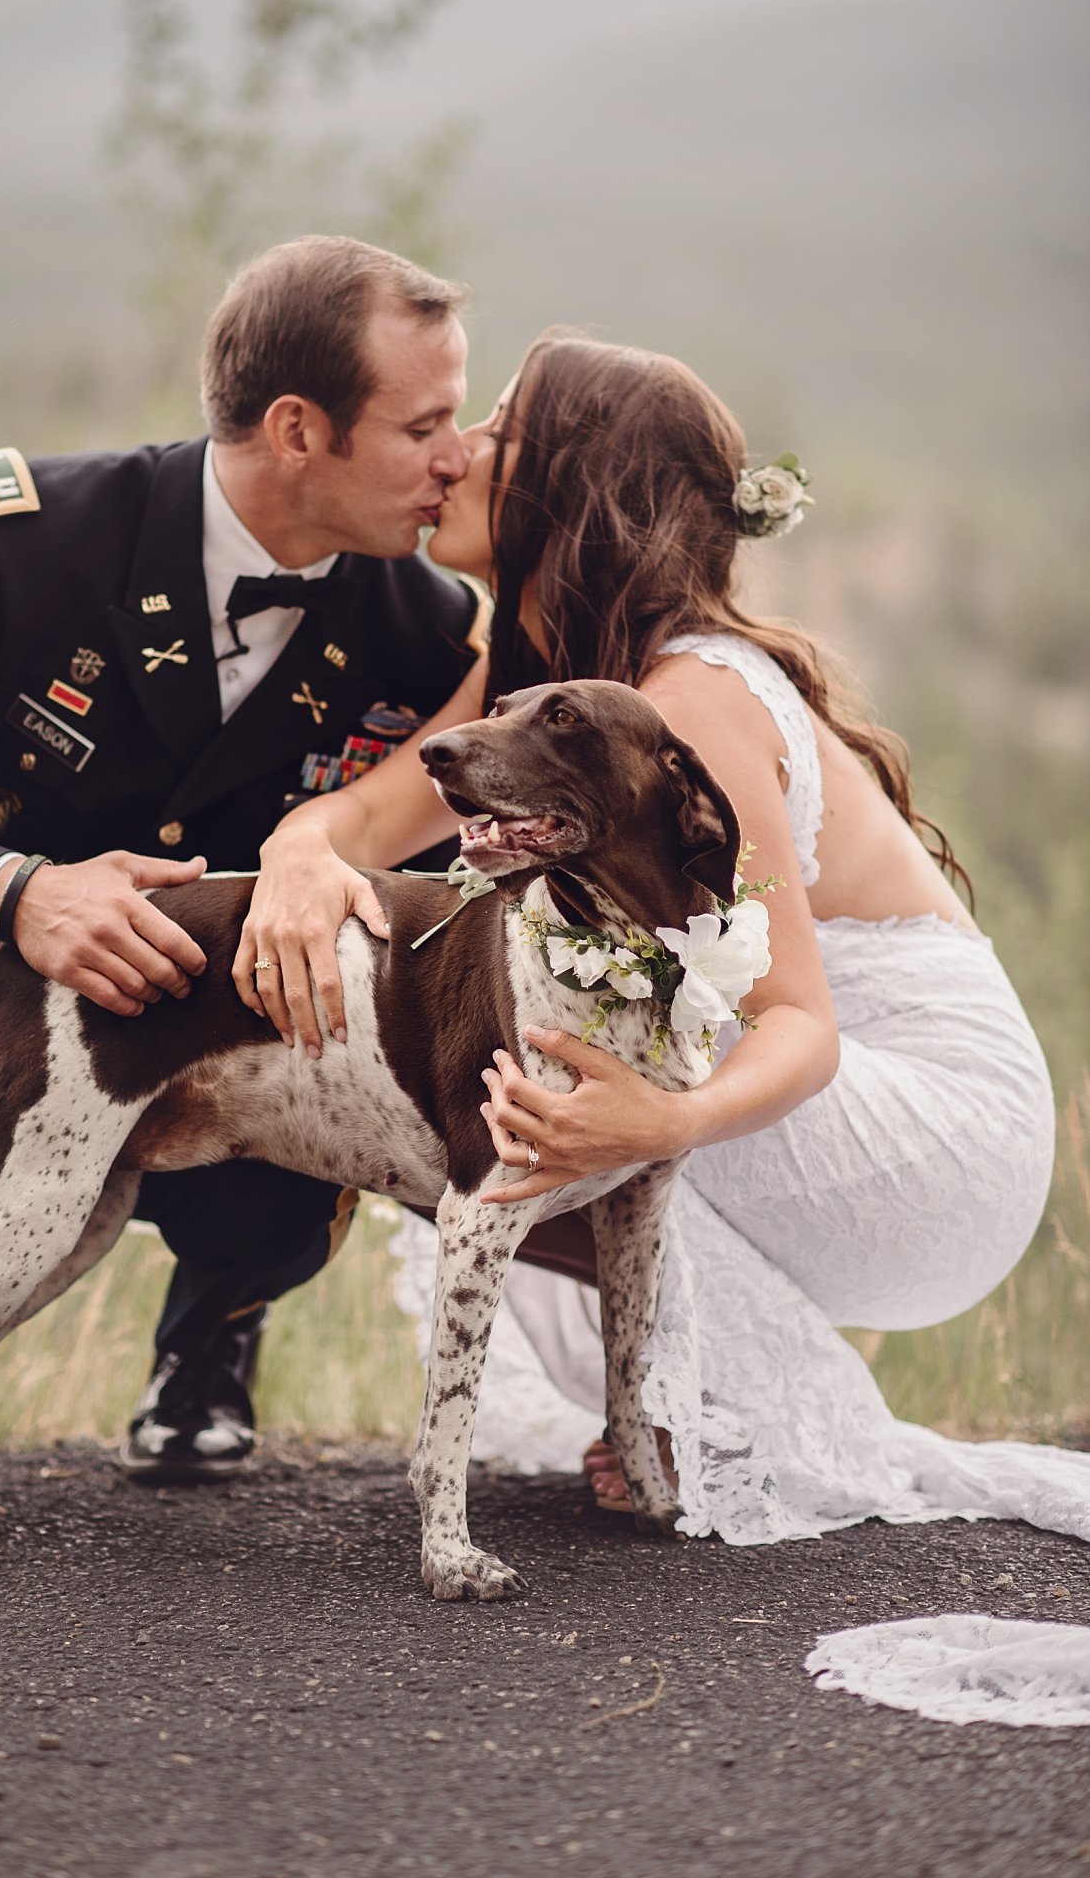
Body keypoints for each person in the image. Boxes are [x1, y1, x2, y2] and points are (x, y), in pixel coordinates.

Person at [236, 330, 1088, 1546]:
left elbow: (798, 1019)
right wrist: (290, 857)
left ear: (571, 489)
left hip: (928, 1133)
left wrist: (669, 1119)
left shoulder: (685, 701)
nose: (457, 451)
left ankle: (712, 1413)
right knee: (475, 1102)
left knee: (541, 1076)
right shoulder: (554, 693)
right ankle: (683, 1403)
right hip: (772, 1075)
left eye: (497, 434)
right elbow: (372, 813)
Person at [0, 234, 486, 1514]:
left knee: (341, 1043)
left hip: (253, 1077)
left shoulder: (426, 637)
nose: (455, 458)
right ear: (298, 429)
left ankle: (210, 1339)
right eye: (425, 425)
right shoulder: (31, 537)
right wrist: (21, 892)